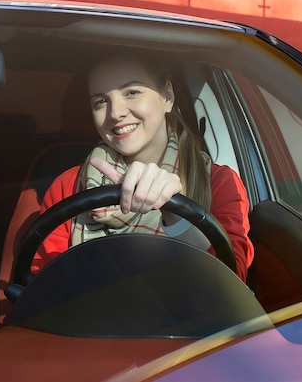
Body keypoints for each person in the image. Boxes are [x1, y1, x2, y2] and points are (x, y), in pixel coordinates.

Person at [31, 54, 254, 282]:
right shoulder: (67, 186)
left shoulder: (218, 182)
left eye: (132, 92)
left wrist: (177, 216)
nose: (116, 112)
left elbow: (231, 285)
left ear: (167, 96)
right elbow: (46, 289)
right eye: (100, 101)